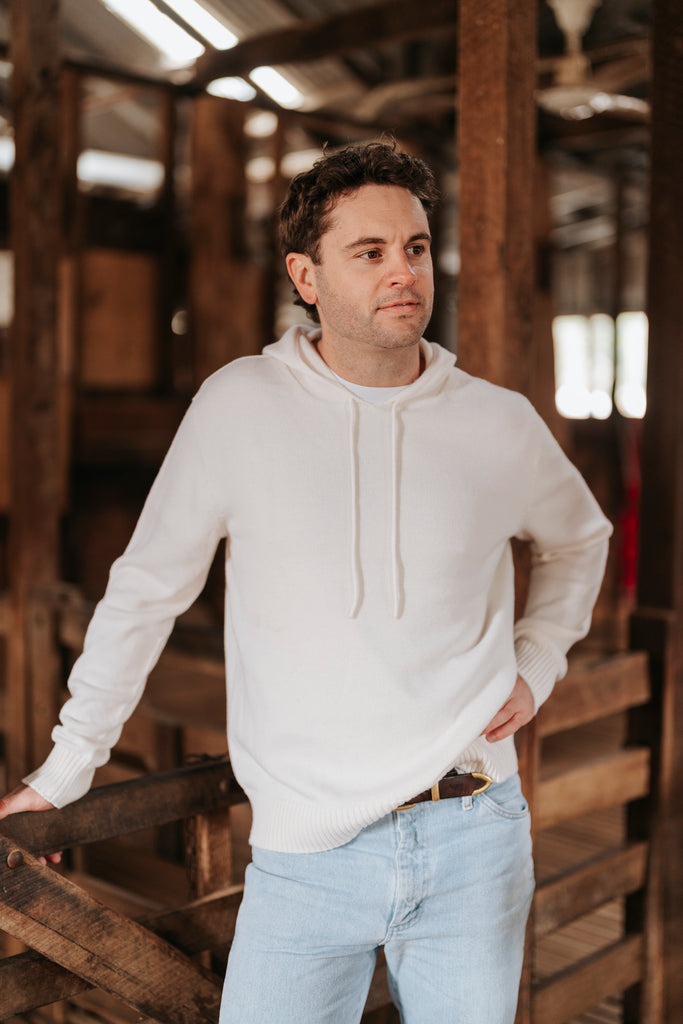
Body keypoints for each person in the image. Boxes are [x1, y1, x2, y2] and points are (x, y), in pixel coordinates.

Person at [0, 141, 612, 1023]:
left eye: (414, 247)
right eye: (369, 252)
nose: (402, 272)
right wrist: (68, 767)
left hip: (473, 832)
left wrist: (537, 657)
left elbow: (578, 540)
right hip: (305, 853)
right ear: (306, 275)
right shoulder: (238, 405)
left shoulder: (497, 420)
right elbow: (145, 592)